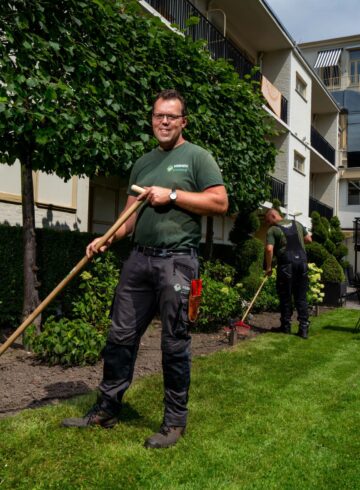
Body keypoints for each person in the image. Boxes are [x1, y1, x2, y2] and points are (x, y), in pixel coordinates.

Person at [61, 89, 228, 448]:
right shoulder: (142, 162)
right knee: (119, 337)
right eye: (158, 116)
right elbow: (128, 218)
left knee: (174, 343)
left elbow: (219, 201)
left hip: (179, 263)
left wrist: (171, 195)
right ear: (152, 120)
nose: (164, 121)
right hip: (138, 260)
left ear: (183, 121)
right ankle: (106, 409)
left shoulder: (198, 157)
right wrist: (108, 237)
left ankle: (173, 423)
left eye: (171, 116)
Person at [264, 208, 312, 339]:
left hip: (286, 265)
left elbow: (269, 249)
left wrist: (268, 267)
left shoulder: (273, 230)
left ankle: (285, 327)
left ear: (273, 215)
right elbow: (308, 239)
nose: (269, 224)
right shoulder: (297, 224)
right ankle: (303, 329)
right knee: (301, 296)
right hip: (302, 263)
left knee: (285, 296)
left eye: (268, 221)